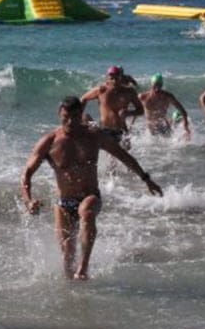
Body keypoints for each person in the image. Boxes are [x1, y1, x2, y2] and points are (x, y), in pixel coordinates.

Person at [21, 96, 163, 280]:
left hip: (90, 195)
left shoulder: (94, 136)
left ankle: (84, 267)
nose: (70, 121)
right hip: (63, 202)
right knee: (66, 259)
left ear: (81, 114)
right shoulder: (49, 141)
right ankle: (73, 296)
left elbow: (122, 155)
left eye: (74, 116)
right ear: (59, 114)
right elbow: (26, 175)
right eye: (66, 117)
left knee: (87, 212)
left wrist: (146, 179)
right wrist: (28, 201)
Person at [80, 65, 144, 145]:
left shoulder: (129, 92)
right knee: (85, 117)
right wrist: (77, 116)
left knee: (125, 156)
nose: (114, 81)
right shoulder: (101, 90)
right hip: (104, 130)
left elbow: (141, 110)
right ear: (107, 78)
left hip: (121, 131)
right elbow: (83, 99)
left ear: (121, 77)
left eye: (116, 77)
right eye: (111, 78)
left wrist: (128, 112)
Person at [137, 73, 191, 139]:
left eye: (159, 85)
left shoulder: (167, 96)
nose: (157, 89)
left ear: (162, 85)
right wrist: (130, 124)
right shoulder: (143, 97)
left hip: (164, 126)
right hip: (151, 128)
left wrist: (186, 127)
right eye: (155, 85)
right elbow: (137, 111)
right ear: (151, 84)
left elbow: (182, 111)